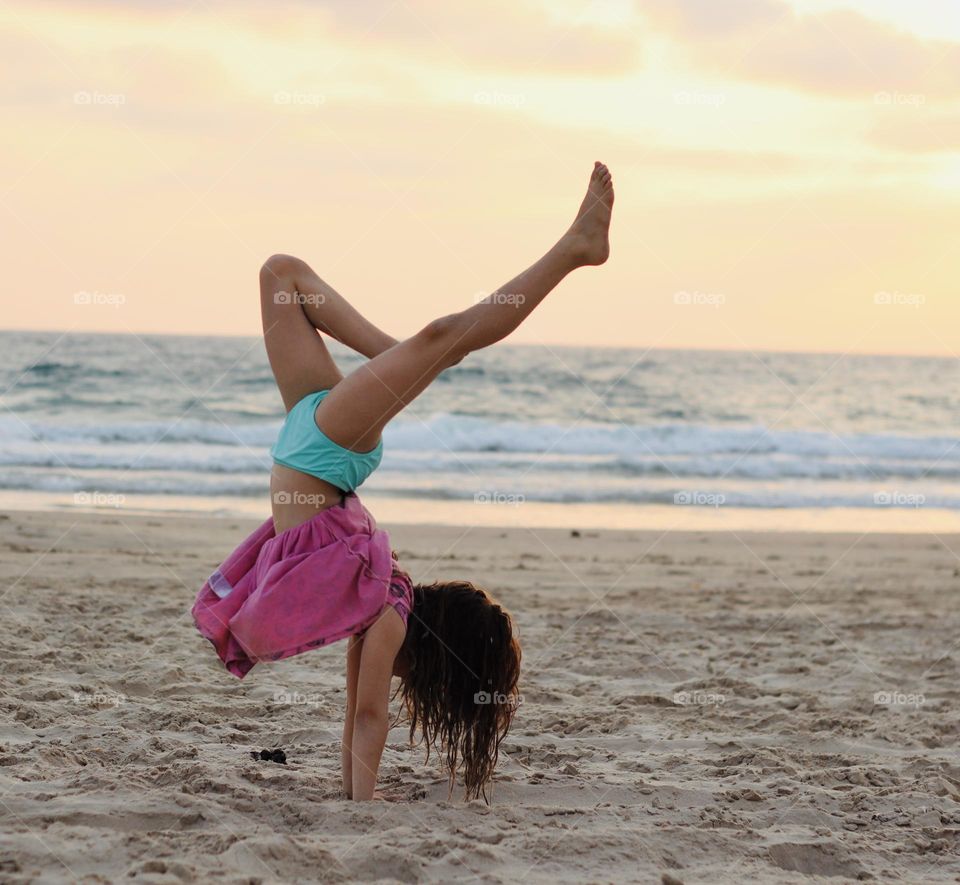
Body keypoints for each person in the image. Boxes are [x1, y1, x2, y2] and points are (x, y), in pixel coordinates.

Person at [192, 162, 614, 801]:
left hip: (314, 441)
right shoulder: (388, 612)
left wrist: (358, 802)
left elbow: (358, 719)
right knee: (444, 336)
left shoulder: (379, 616)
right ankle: (571, 252)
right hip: (327, 448)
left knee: (281, 274)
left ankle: (406, 361)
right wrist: (361, 804)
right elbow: (368, 719)